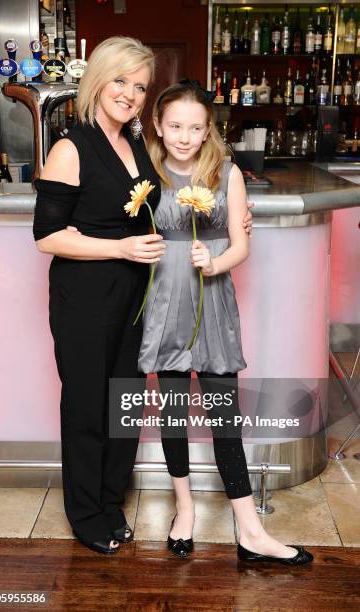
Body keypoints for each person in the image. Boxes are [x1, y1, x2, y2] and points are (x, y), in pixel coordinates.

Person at [138, 80, 314, 565]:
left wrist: (214, 264)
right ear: (157, 124)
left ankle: (251, 532)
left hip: (210, 307)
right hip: (163, 307)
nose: (184, 136)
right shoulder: (143, 172)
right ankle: (185, 512)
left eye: (195, 127)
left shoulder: (226, 173)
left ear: (207, 130)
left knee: (224, 421)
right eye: (174, 125)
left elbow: (241, 244)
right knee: (172, 414)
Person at [33, 37, 165, 554]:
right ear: (97, 81)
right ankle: (86, 512)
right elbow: (47, 236)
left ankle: (111, 500)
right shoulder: (71, 146)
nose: (130, 94)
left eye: (139, 86)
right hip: (85, 297)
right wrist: (122, 248)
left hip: (134, 295)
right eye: (120, 80)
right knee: (89, 405)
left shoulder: (132, 145)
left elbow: (153, 207)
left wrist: (229, 210)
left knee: (125, 403)